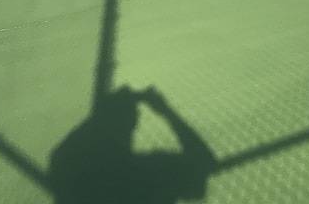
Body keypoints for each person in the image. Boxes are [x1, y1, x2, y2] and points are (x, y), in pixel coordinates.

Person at [48, 86, 216, 204]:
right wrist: (166, 111)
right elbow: (204, 160)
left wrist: (103, 114)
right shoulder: (151, 171)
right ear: (133, 124)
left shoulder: (72, 172)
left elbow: (63, 151)